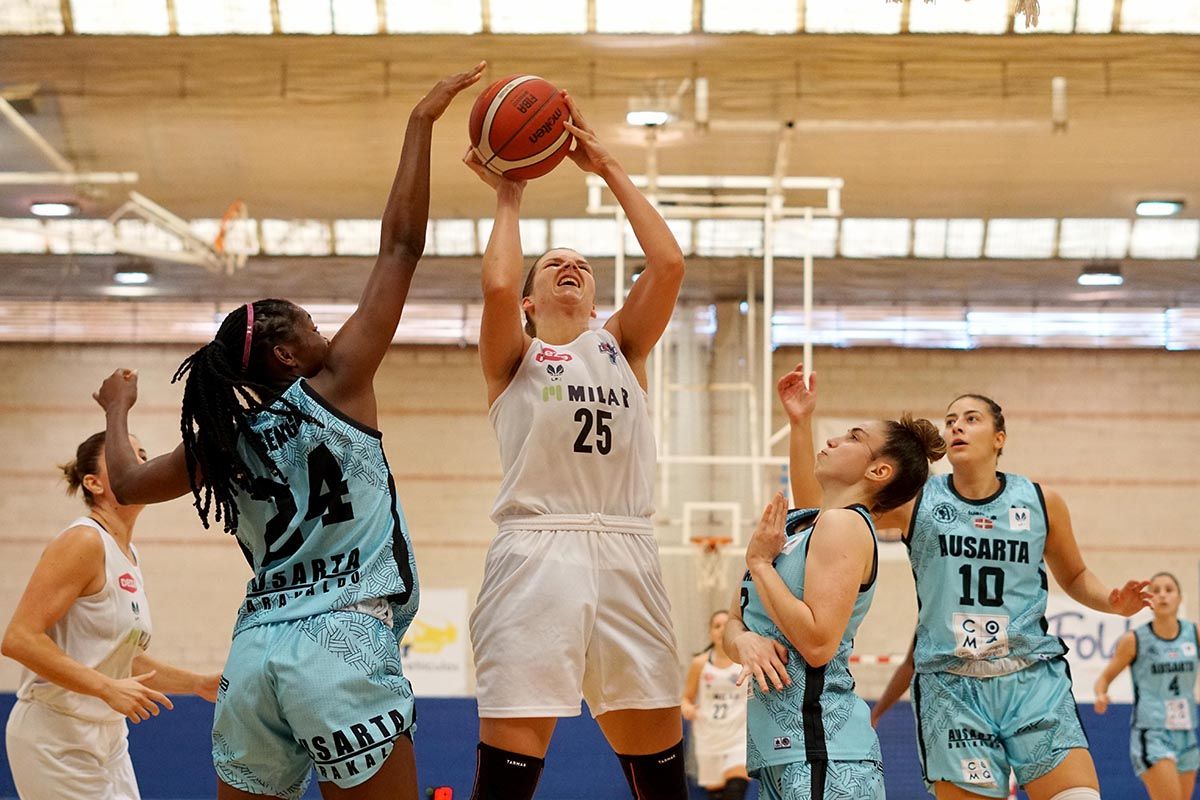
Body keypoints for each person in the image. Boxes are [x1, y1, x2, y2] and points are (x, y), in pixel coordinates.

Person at [89, 63, 485, 800]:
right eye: (309, 323)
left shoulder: (224, 441)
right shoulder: (338, 385)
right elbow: (400, 248)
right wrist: (422, 123)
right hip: (342, 641)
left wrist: (115, 411)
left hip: (256, 653)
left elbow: (130, 483)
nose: (324, 329)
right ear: (285, 354)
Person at [462, 90, 688, 800]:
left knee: (661, 778)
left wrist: (609, 166)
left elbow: (669, 264)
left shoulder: (619, 343)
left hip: (626, 547)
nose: (571, 265)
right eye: (553, 263)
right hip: (537, 551)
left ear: (595, 301)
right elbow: (496, 284)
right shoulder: (514, 359)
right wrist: (510, 190)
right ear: (531, 303)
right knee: (509, 779)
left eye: (583, 265)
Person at [807, 386, 1154, 800]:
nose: (957, 426)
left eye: (971, 419)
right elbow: (824, 511)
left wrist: (1111, 602)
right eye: (951, 420)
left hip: (1030, 676)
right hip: (951, 687)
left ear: (999, 438)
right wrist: (798, 426)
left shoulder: (1041, 502)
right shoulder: (917, 502)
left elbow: (1075, 575)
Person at [725, 366, 946, 800]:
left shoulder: (844, 527)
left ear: (879, 471)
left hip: (822, 749)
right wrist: (744, 642)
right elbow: (731, 622)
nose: (834, 440)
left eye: (853, 438)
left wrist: (759, 563)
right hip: (785, 752)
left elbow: (819, 643)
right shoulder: (808, 526)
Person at [3, 431, 220, 800]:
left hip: (108, 738)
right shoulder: (84, 540)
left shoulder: (129, 554)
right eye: (123, 455)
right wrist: (105, 688)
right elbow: (18, 639)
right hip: (56, 737)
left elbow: (118, 658)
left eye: (141, 453)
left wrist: (197, 684)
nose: (137, 461)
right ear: (94, 483)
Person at [1094, 572, 1198, 800]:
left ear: (1180, 598)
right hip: (1152, 731)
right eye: (1156, 590)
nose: (1162, 595)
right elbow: (1104, 679)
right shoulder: (1135, 639)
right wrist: (1101, 694)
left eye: (1168, 590)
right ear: (1149, 600)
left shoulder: (1194, 634)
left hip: (1186, 729)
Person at [682, 611, 750, 800]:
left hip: (738, 737)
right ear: (710, 632)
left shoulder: (745, 661)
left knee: (735, 791)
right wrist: (686, 707)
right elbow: (686, 698)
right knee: (717, 794)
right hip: (709, 737)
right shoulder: (701, 663)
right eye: (716, 626)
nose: (721, 630)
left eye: (726, 625)